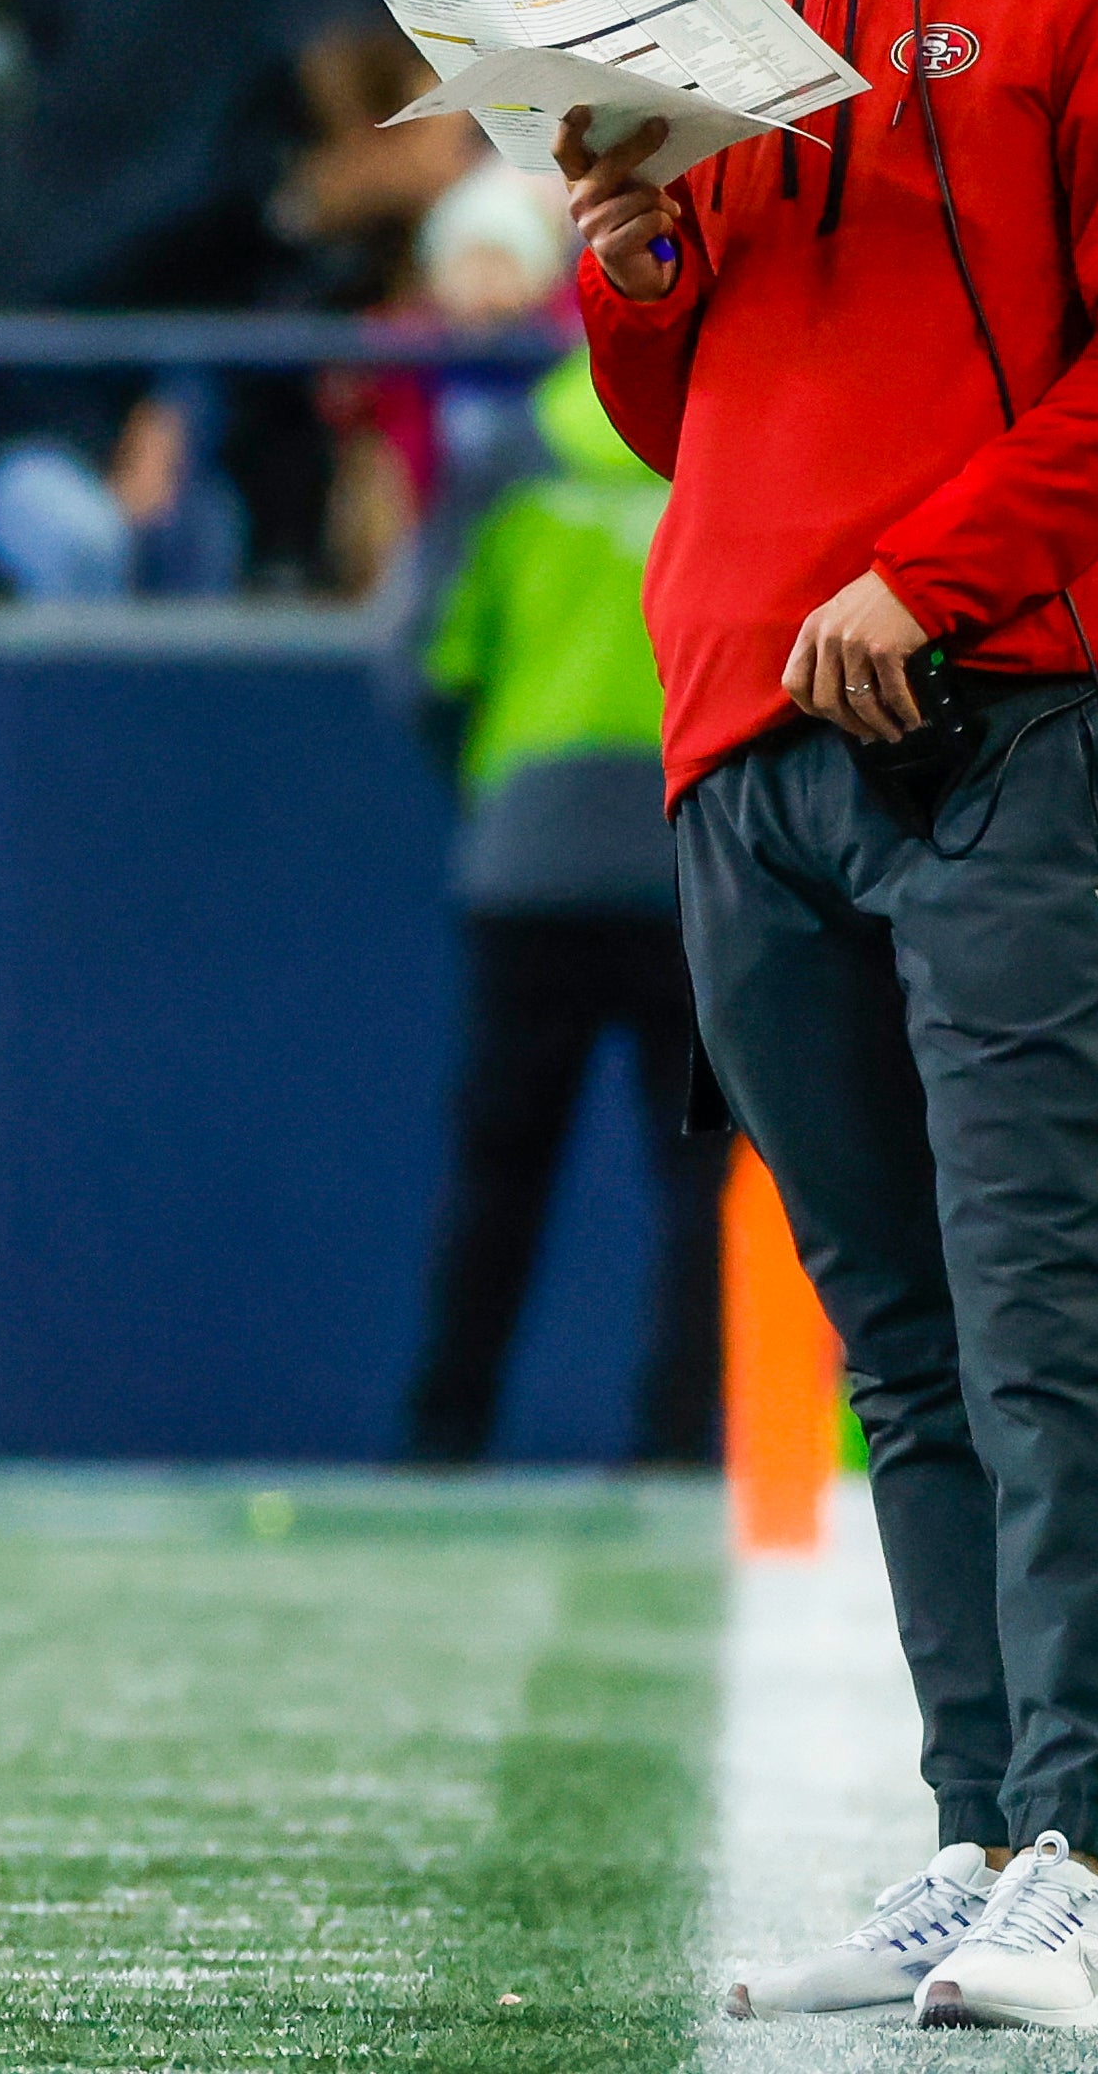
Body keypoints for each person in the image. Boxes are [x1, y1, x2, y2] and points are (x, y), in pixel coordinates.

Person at [572, 0, 1098, 2030]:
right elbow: (674, 404)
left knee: (1045, 1302)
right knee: (895, 1331)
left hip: (1002, 721)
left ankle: (1079, 1846)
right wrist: (630, 242)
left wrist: (933, 572)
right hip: (743, 719)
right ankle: (977, 1824)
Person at [381, 349, 721, 1469]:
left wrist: (497, 789)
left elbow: (426, 663)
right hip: (699, 870)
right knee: (702, 1185)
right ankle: (677, 1454)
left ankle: (444, 1441)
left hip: (529, 870)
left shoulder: (510, 452)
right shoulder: (727, 444)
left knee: (497, 1173)